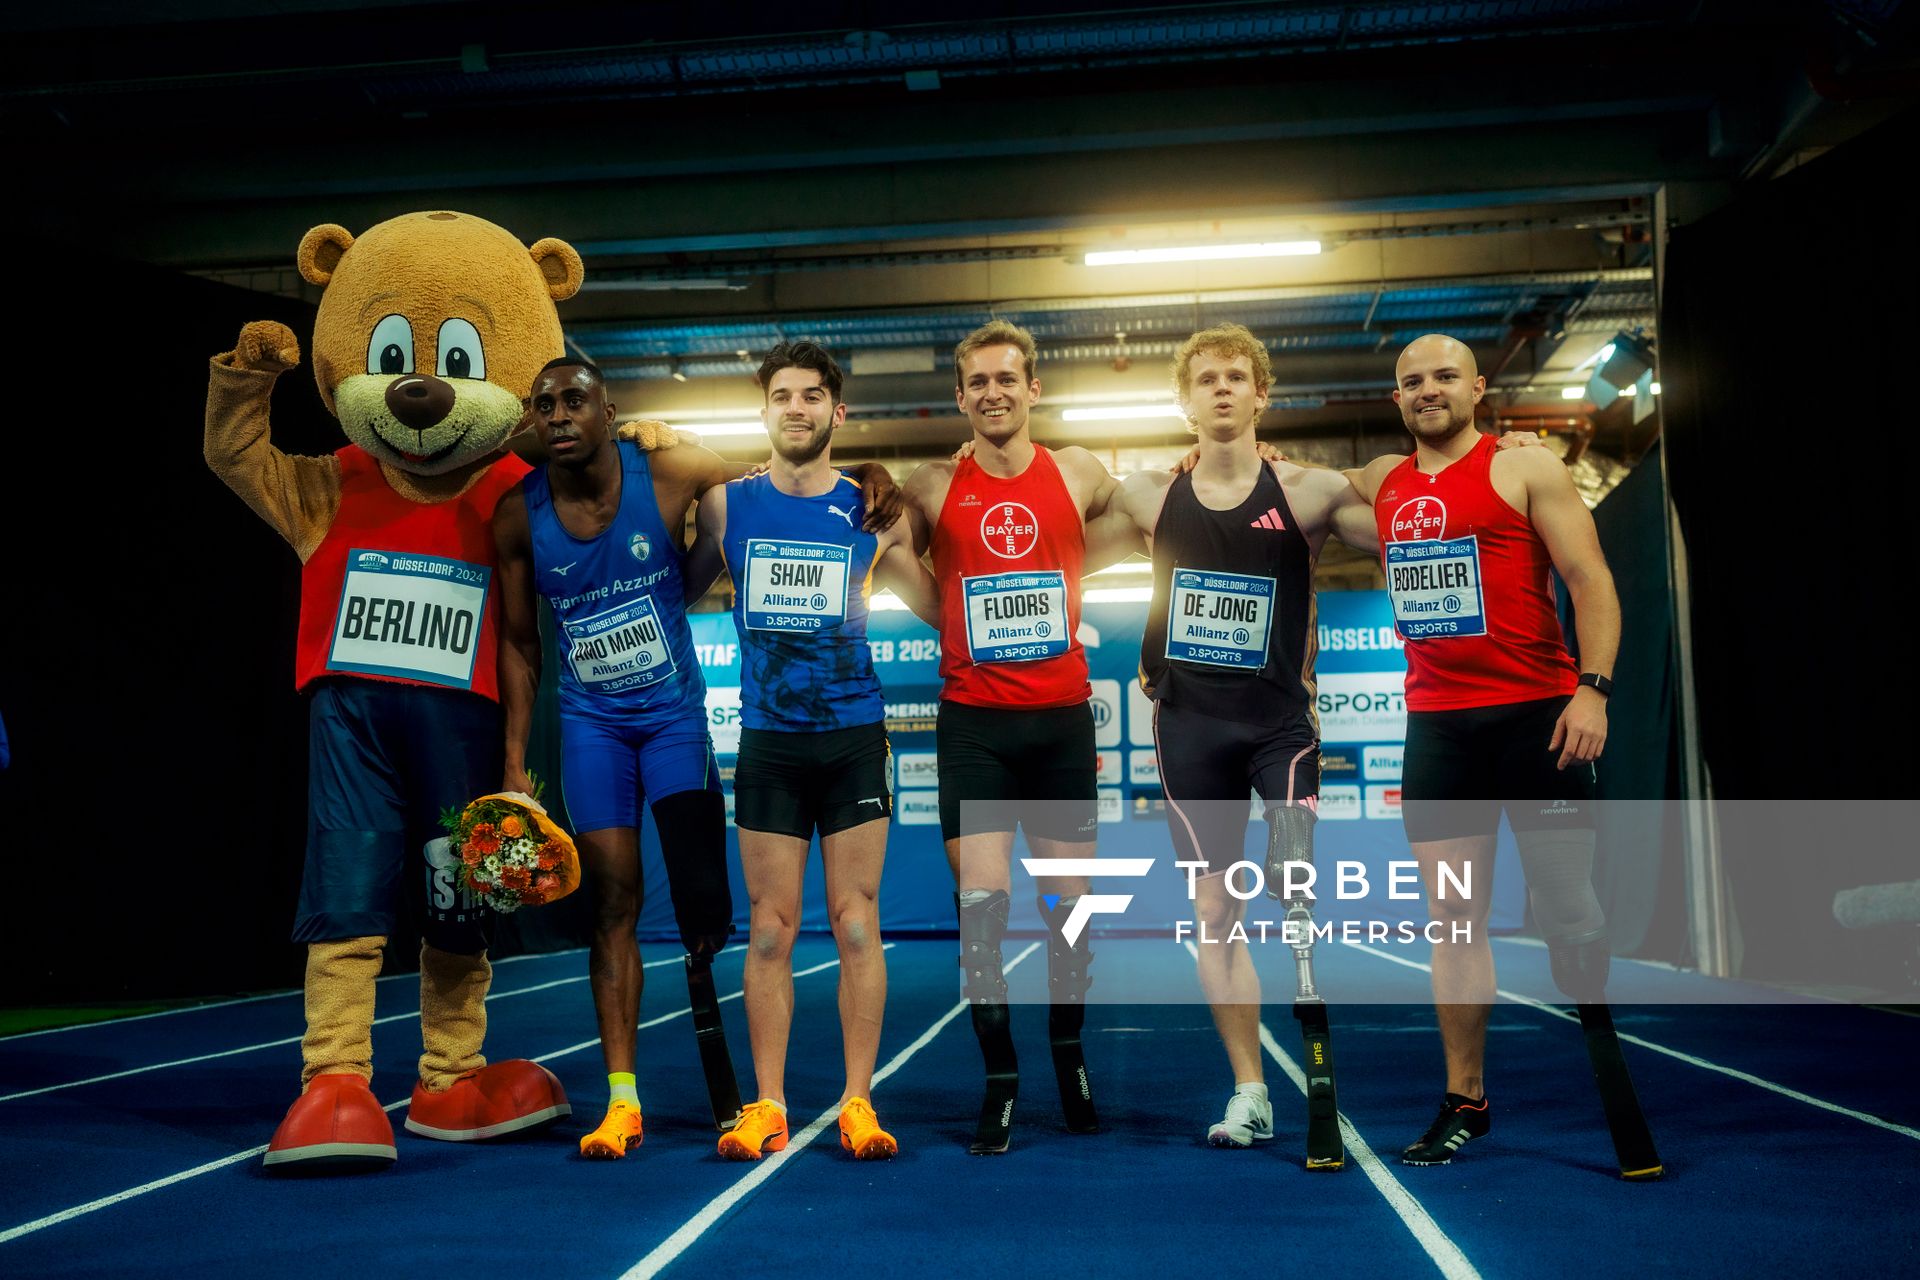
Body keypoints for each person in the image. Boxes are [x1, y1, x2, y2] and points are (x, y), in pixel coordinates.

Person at [493, 356, 898, 1159]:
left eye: (578, 399)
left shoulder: (680, 471)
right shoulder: (525, 515)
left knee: (739, 917)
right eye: (546, 405)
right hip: (596, 727)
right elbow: (518, 640)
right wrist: (513, 762)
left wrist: (874, 472)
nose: (561, 414)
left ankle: (802, 1096)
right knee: (618, 905)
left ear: (612, 410)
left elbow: (803, 478)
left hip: (691, 722)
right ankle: (628, 1100)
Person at [1089, 323, 1379, 1157]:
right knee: (1214, 911)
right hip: (1189, 732)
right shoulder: (1147, 496)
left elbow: (1405, 506)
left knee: (1296, 896)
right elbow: (1052, 540)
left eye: (1236, 377)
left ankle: (1317, 1062)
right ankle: (1251, 1089)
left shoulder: (1308, 492)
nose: (1221, 389)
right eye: (1205, 379)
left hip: (1277, 729)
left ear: (1262, 394)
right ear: (1184, 402)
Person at [1346, 332, 1622, 1166]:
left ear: (1477, 386)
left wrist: (1593, 688)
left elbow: (1592, 582)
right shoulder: (1384, 483)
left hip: (1539, 719)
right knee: (1453, 918)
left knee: (1567, 909)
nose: (1428, 390)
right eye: (1411, 382)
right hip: (1440, 733)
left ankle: (1598, 1021)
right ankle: (1466, 1099)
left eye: (1443, 377)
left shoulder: (1527, 468)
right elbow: (1278, 481)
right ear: (1396, 400)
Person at [694, 341, 938, 1161]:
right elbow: (669, 585)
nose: (795, 408)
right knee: (769, 931)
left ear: (837, 413)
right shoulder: (726, 508)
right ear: (764, 410)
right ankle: (767, 1104)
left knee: (856, 923)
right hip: (767, 742)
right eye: (781, 396)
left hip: (852, 738)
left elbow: (946, 607)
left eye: (811, 397)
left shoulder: (873, 511)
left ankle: (858, 1102)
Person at [897, 319, 1127, 1152]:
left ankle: (1068, 1056)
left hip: (1061, 725)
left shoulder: (1079, 471)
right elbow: (882, 555)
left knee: (1071, 915)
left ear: (1033, 389)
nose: (993, 392)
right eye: (977, 383)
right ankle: (1000, 1082)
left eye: (1007, 378)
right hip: (975, 728)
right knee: (984, 916)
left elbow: (1153, 513)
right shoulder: (930, 487)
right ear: (960, 398)